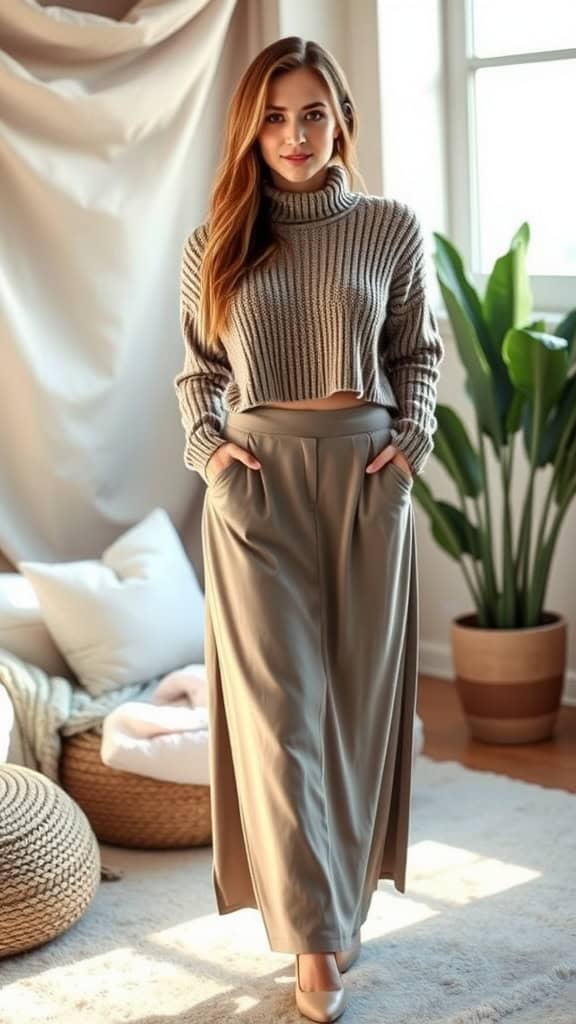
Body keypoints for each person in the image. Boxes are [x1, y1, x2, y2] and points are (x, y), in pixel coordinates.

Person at [174, 35, 445, 1024]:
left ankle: (337, 897)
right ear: (253, 127)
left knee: (359, 716)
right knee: (284, 718)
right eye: (276, 116)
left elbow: (419, 348)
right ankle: (316, 943)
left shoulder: (390, 227)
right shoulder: (220, 240)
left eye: (313, 113)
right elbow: (199, 373)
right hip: (257, 487)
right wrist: (208, 450)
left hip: (369, 481)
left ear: (341, 120)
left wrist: (409, 443)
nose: (294, 135)